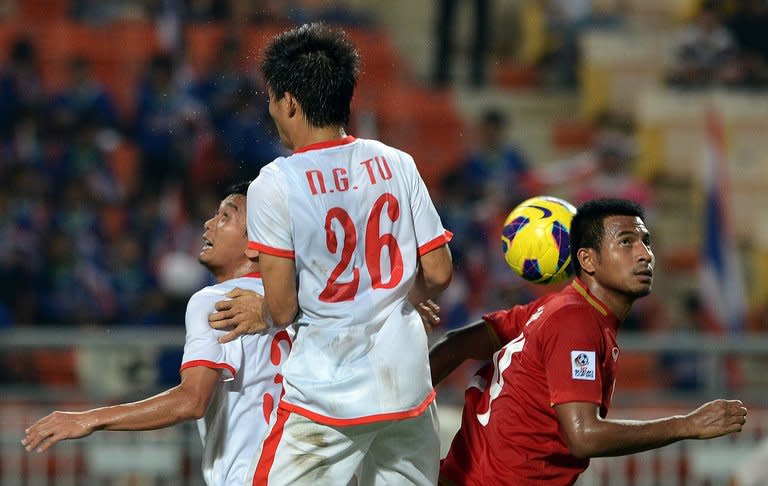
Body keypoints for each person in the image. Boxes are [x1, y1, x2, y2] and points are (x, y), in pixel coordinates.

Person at [209, 23, 453, 485]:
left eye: (271, 99)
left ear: (289, 102)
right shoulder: (397, 161)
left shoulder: (276, 183)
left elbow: (281, 307)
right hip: (407, 387)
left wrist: (260, 310)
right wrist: (400, 294)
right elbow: (438, 272)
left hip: (329, 393)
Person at [431, 198, 747, 486]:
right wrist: (686, 425)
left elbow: (456, 345)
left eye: (645, 241)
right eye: (626, 242)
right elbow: (583, 436)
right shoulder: (575, 320)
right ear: (588, 260)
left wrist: (403, 402)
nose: (645, 254)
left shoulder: (549, 310)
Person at [21, 182, 292, 485]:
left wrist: (88, 419)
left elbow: (191, 400)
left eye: (226, 217)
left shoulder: (214, 300)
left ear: (255, 243)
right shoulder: (304, 304)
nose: (209, 224)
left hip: (254, 476)